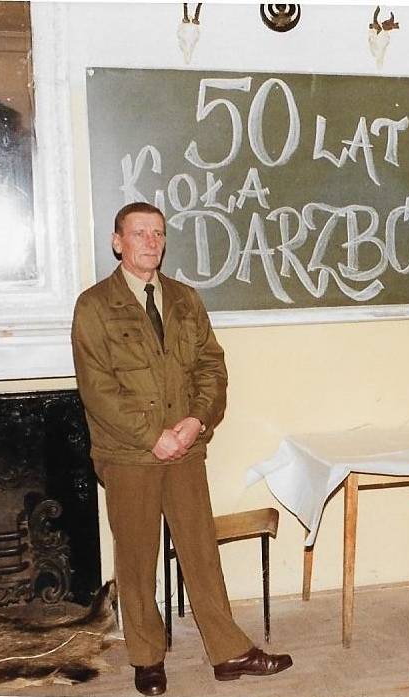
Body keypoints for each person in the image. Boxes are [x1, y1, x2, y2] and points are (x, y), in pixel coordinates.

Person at [71, 202, 292, 696]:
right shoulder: (94, 306)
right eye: (139, 233)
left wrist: (195, 422)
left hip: (186, 449)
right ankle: (147, 658)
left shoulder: (185, 300)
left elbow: (212, 368)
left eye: (158, 233)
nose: (151, 242)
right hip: (130, 455)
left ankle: (228, 652)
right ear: (117, 242)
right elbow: (98, 389)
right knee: (136, 558)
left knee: (200, 550)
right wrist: (153, 436)